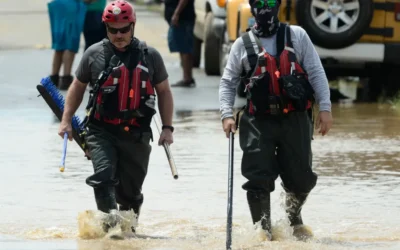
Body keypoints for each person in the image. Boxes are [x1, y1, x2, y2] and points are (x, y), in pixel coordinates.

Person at [219, 0, 333, 241]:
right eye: (259, 3)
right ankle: (263, 232)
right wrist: (227, 115)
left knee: (302, 178)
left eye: (270, 2)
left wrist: (325, 108)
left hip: (295, 119)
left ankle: (294, 218)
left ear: (279, 5)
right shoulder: (242, 44)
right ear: (252, 5)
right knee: (257, 176)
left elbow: (316, 71)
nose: (265, 8)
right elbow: (228, 82)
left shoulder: (297, 35)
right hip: (258, 121)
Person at [58, 0, 175, 233]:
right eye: (113, 30)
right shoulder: (93, 54)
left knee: (130, 194)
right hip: (101, 130)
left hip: (136, 133)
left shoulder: (150, 56)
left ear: (133, 26)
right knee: (103, 178)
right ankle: (110, 232)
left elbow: (163, 91)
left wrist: (168, 128)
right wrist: (66, 120)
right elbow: (77, 87)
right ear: (106, 28)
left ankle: (128, 233)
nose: (119, 35)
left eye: (124, 29)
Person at [47, 0, 87, 90]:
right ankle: (66, 78)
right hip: (72, 7)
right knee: (70, 43)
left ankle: (54, 78)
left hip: (58, 5)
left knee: (59, 43)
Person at [164, 0, 196, 87]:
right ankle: (187, 77)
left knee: (185, 48)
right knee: (183, 47)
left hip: (183, 18)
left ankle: (187, 78)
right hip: (181, 18)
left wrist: (176, 13)